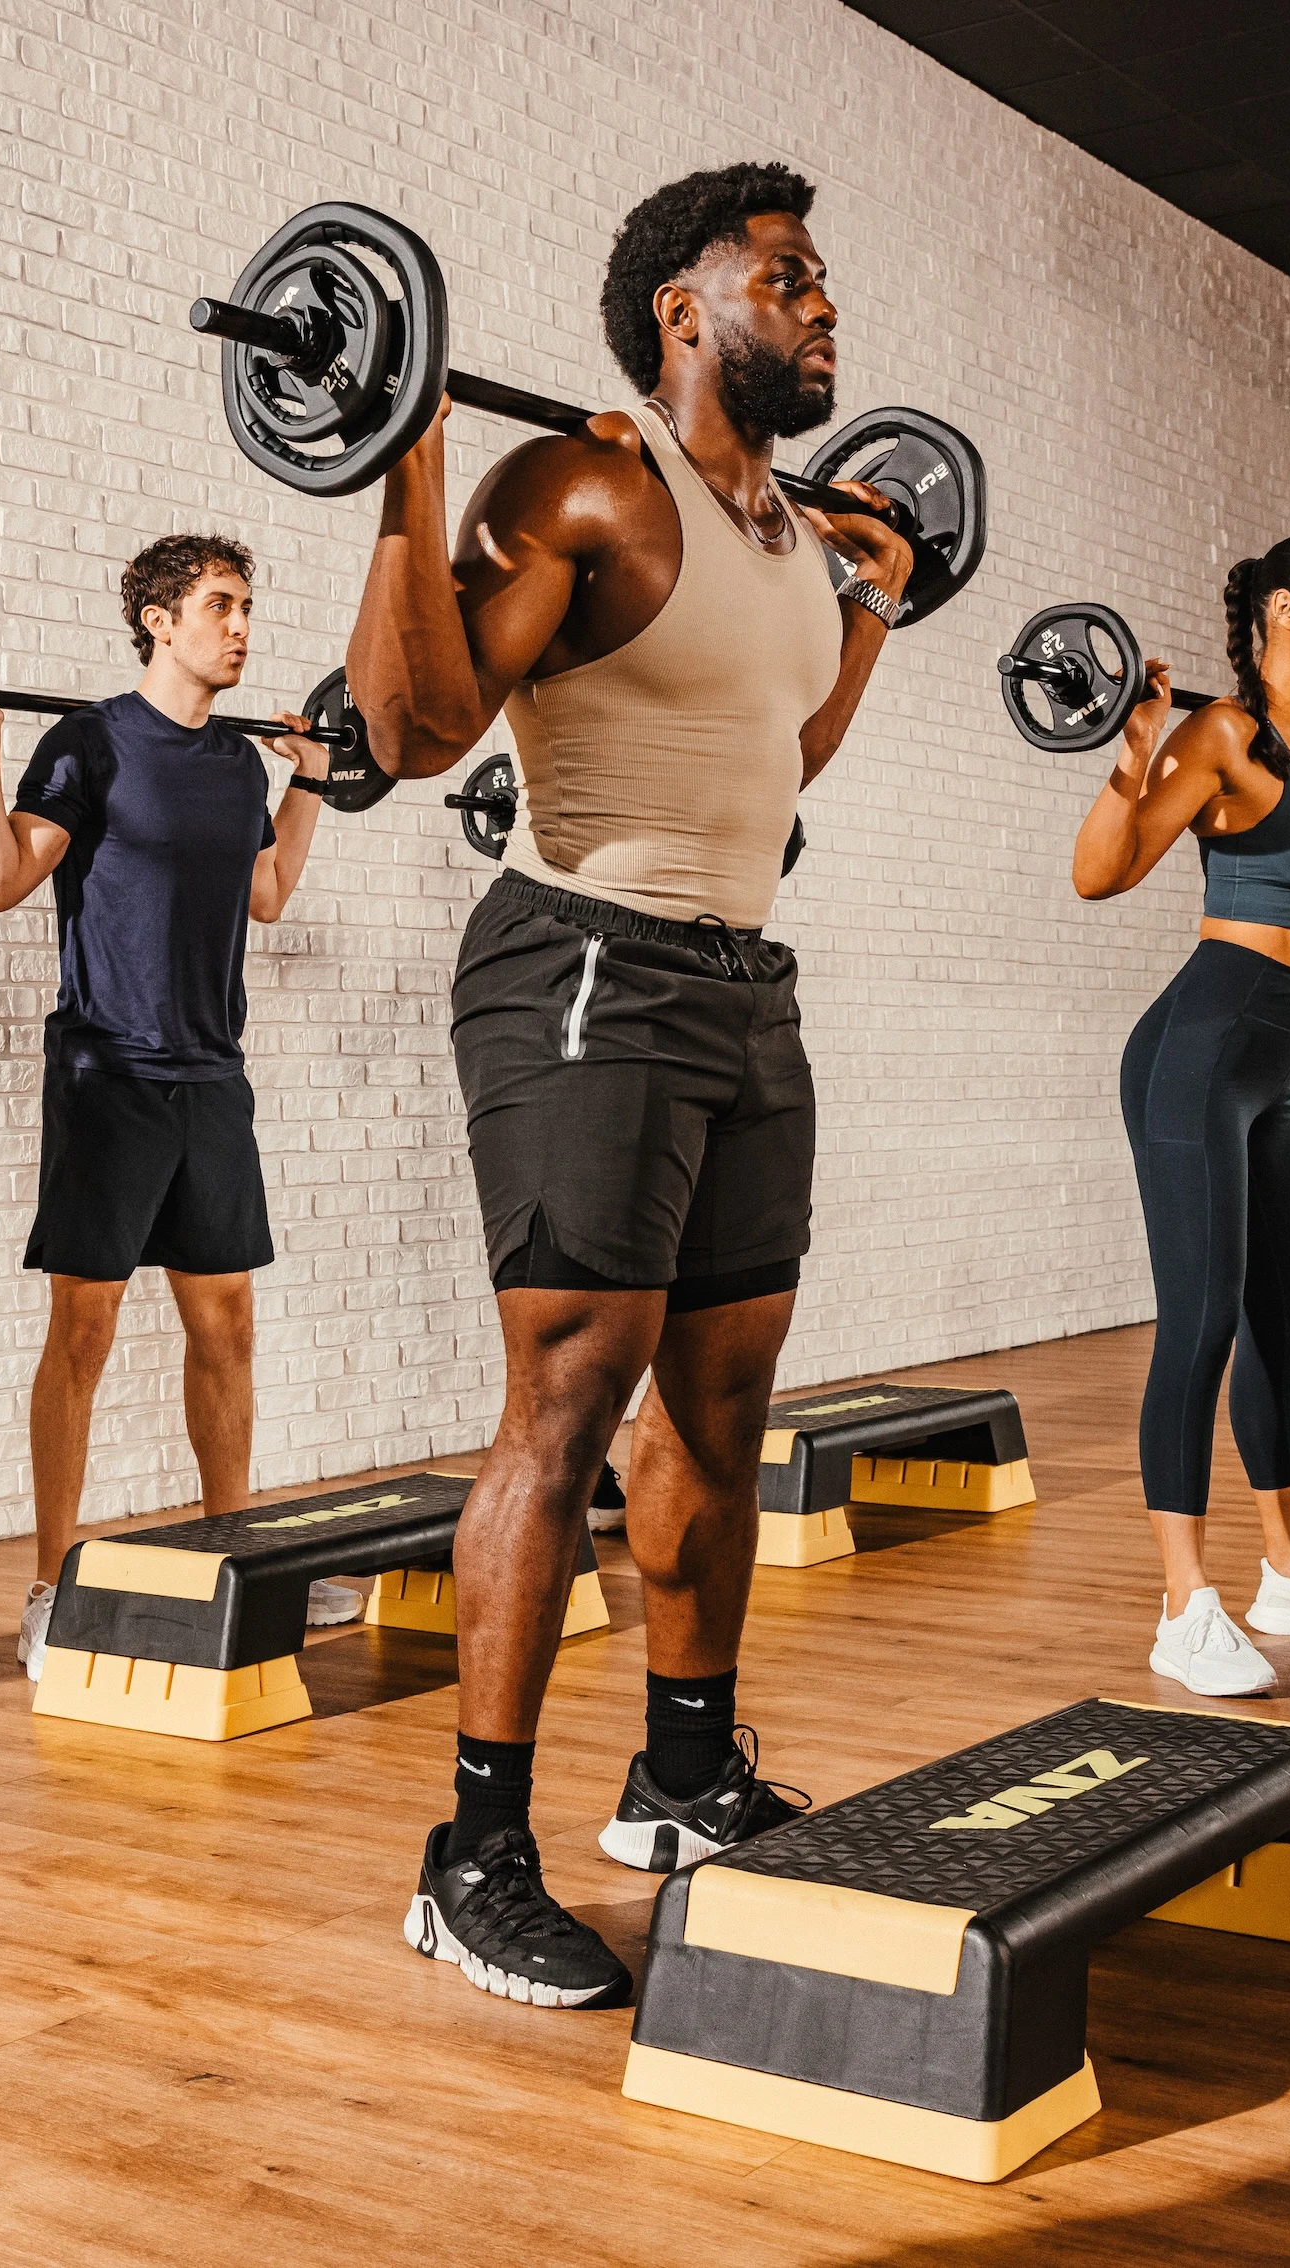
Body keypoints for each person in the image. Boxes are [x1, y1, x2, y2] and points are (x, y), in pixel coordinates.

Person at [345, 163, 915, 2009]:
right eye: (789, 278)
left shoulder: (787, 543)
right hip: (583, 957)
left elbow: (781, 751)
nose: (823, 307)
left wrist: (881, 612)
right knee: (569, 1396)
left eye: (822, 282)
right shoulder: (582, 483)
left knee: (726, 1403)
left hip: (745, 983)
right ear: (688, 310)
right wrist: (407, 468)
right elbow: (413, 730)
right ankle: (473, 1849)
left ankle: (683, 1770)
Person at [0, 535, 338, 1677]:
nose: (242, 627)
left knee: (225, 1325)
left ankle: (241, 1554)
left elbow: (265, 895)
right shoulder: (91, 741)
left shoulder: (234, 764)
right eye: (220, 606)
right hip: (108, 1077)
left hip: (211, 1078)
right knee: (85, 1331)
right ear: (159, 622)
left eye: (247, 607)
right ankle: (46, 1583)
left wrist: (309, 781)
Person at [1069, 535, 1290, 1696]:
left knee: (1282, 1310)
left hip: (1270, 1058)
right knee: (1198, 1321)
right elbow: (1099, 876)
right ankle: (1180, 1605)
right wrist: (1133, 752)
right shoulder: (1223, 738)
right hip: (1199, 1050)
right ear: (1284, 612)